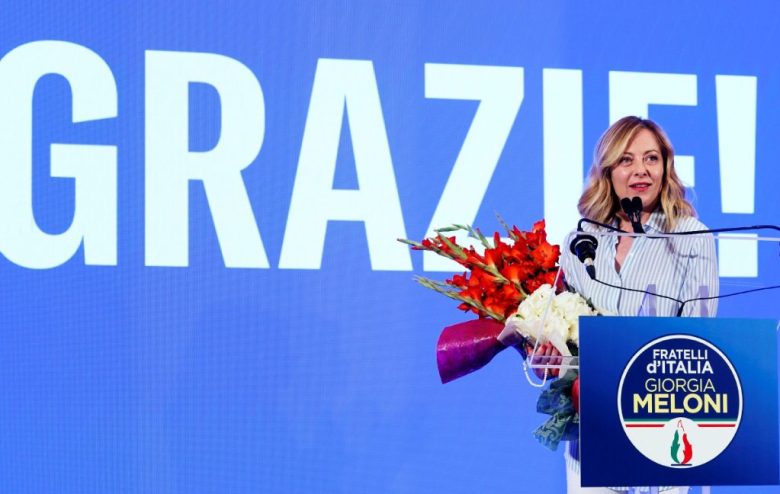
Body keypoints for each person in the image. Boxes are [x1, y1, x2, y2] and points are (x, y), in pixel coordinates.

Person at [558, 116, 719, 494]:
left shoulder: (691, 236)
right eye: (626, 160)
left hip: (662, 432)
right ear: (608, 170)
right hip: (593, 437)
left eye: (651, 158)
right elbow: (566, 333)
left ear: (665, 167)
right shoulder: (581, 240)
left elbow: (700, 335)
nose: (640, 170)